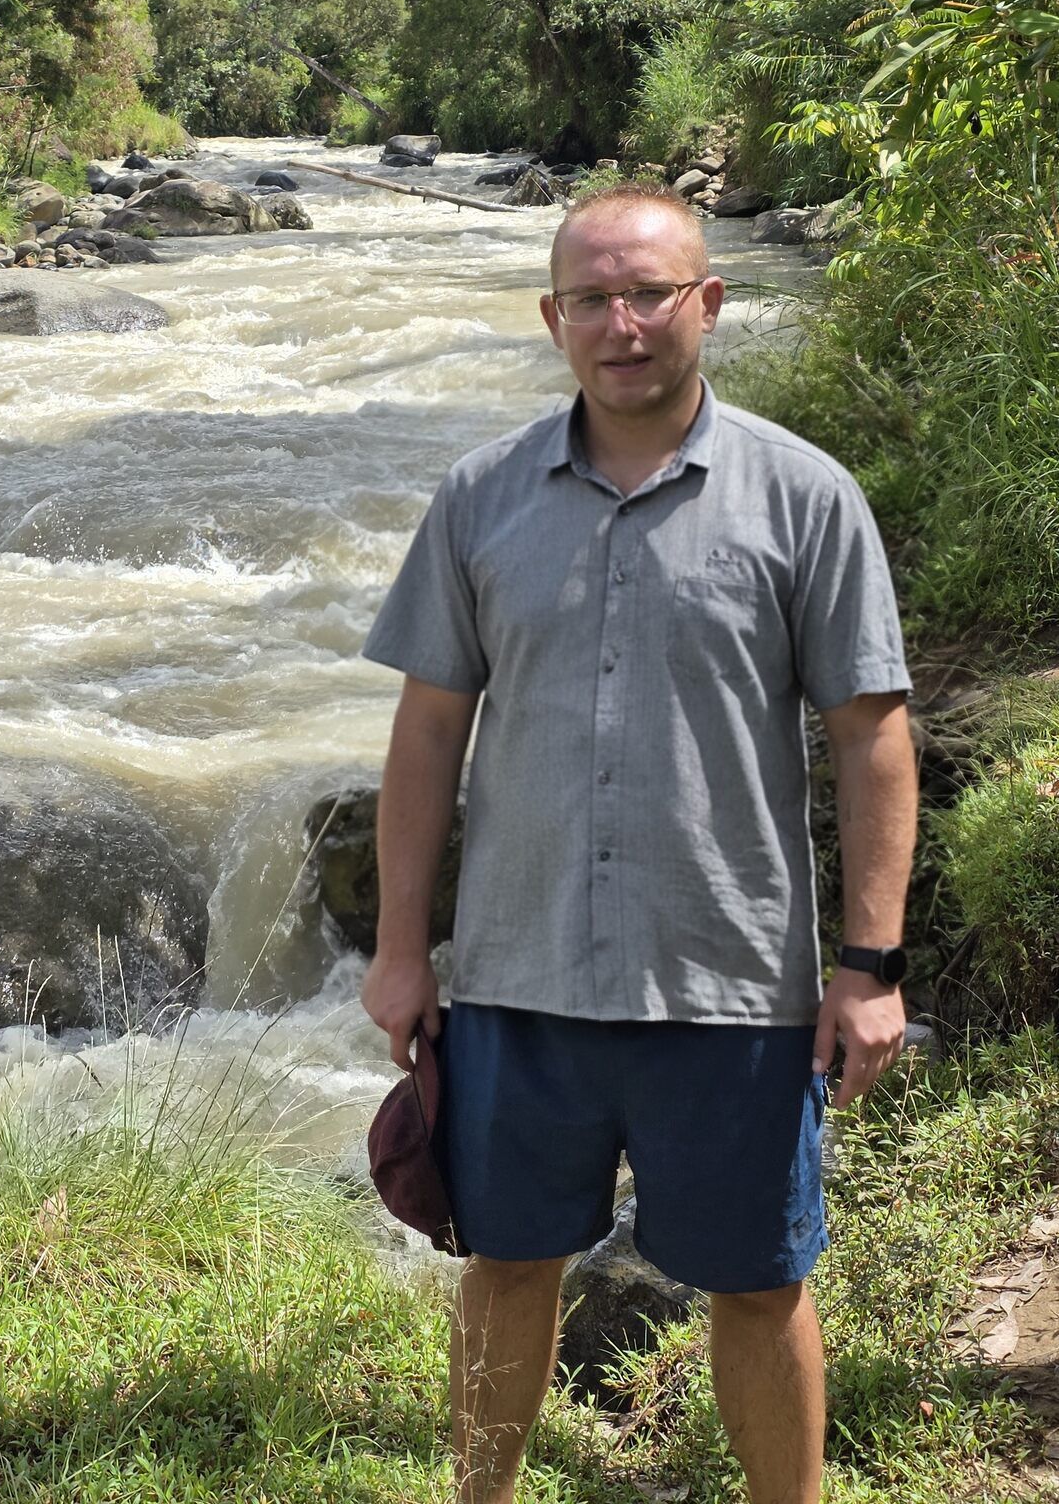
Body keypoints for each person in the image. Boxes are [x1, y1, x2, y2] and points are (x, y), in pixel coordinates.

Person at [360, 184, 917, 1504]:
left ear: (707, 303)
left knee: (759, 1281)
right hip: (516, 974)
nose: (624, 324)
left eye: (651, 293)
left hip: (729, 983)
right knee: (505, 1263)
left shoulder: (806, 499)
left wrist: (871, 965)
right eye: (594, 299)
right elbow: (428, 736)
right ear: (555, 319)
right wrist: (398, 952)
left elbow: (873, 738)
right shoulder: (481, 498)